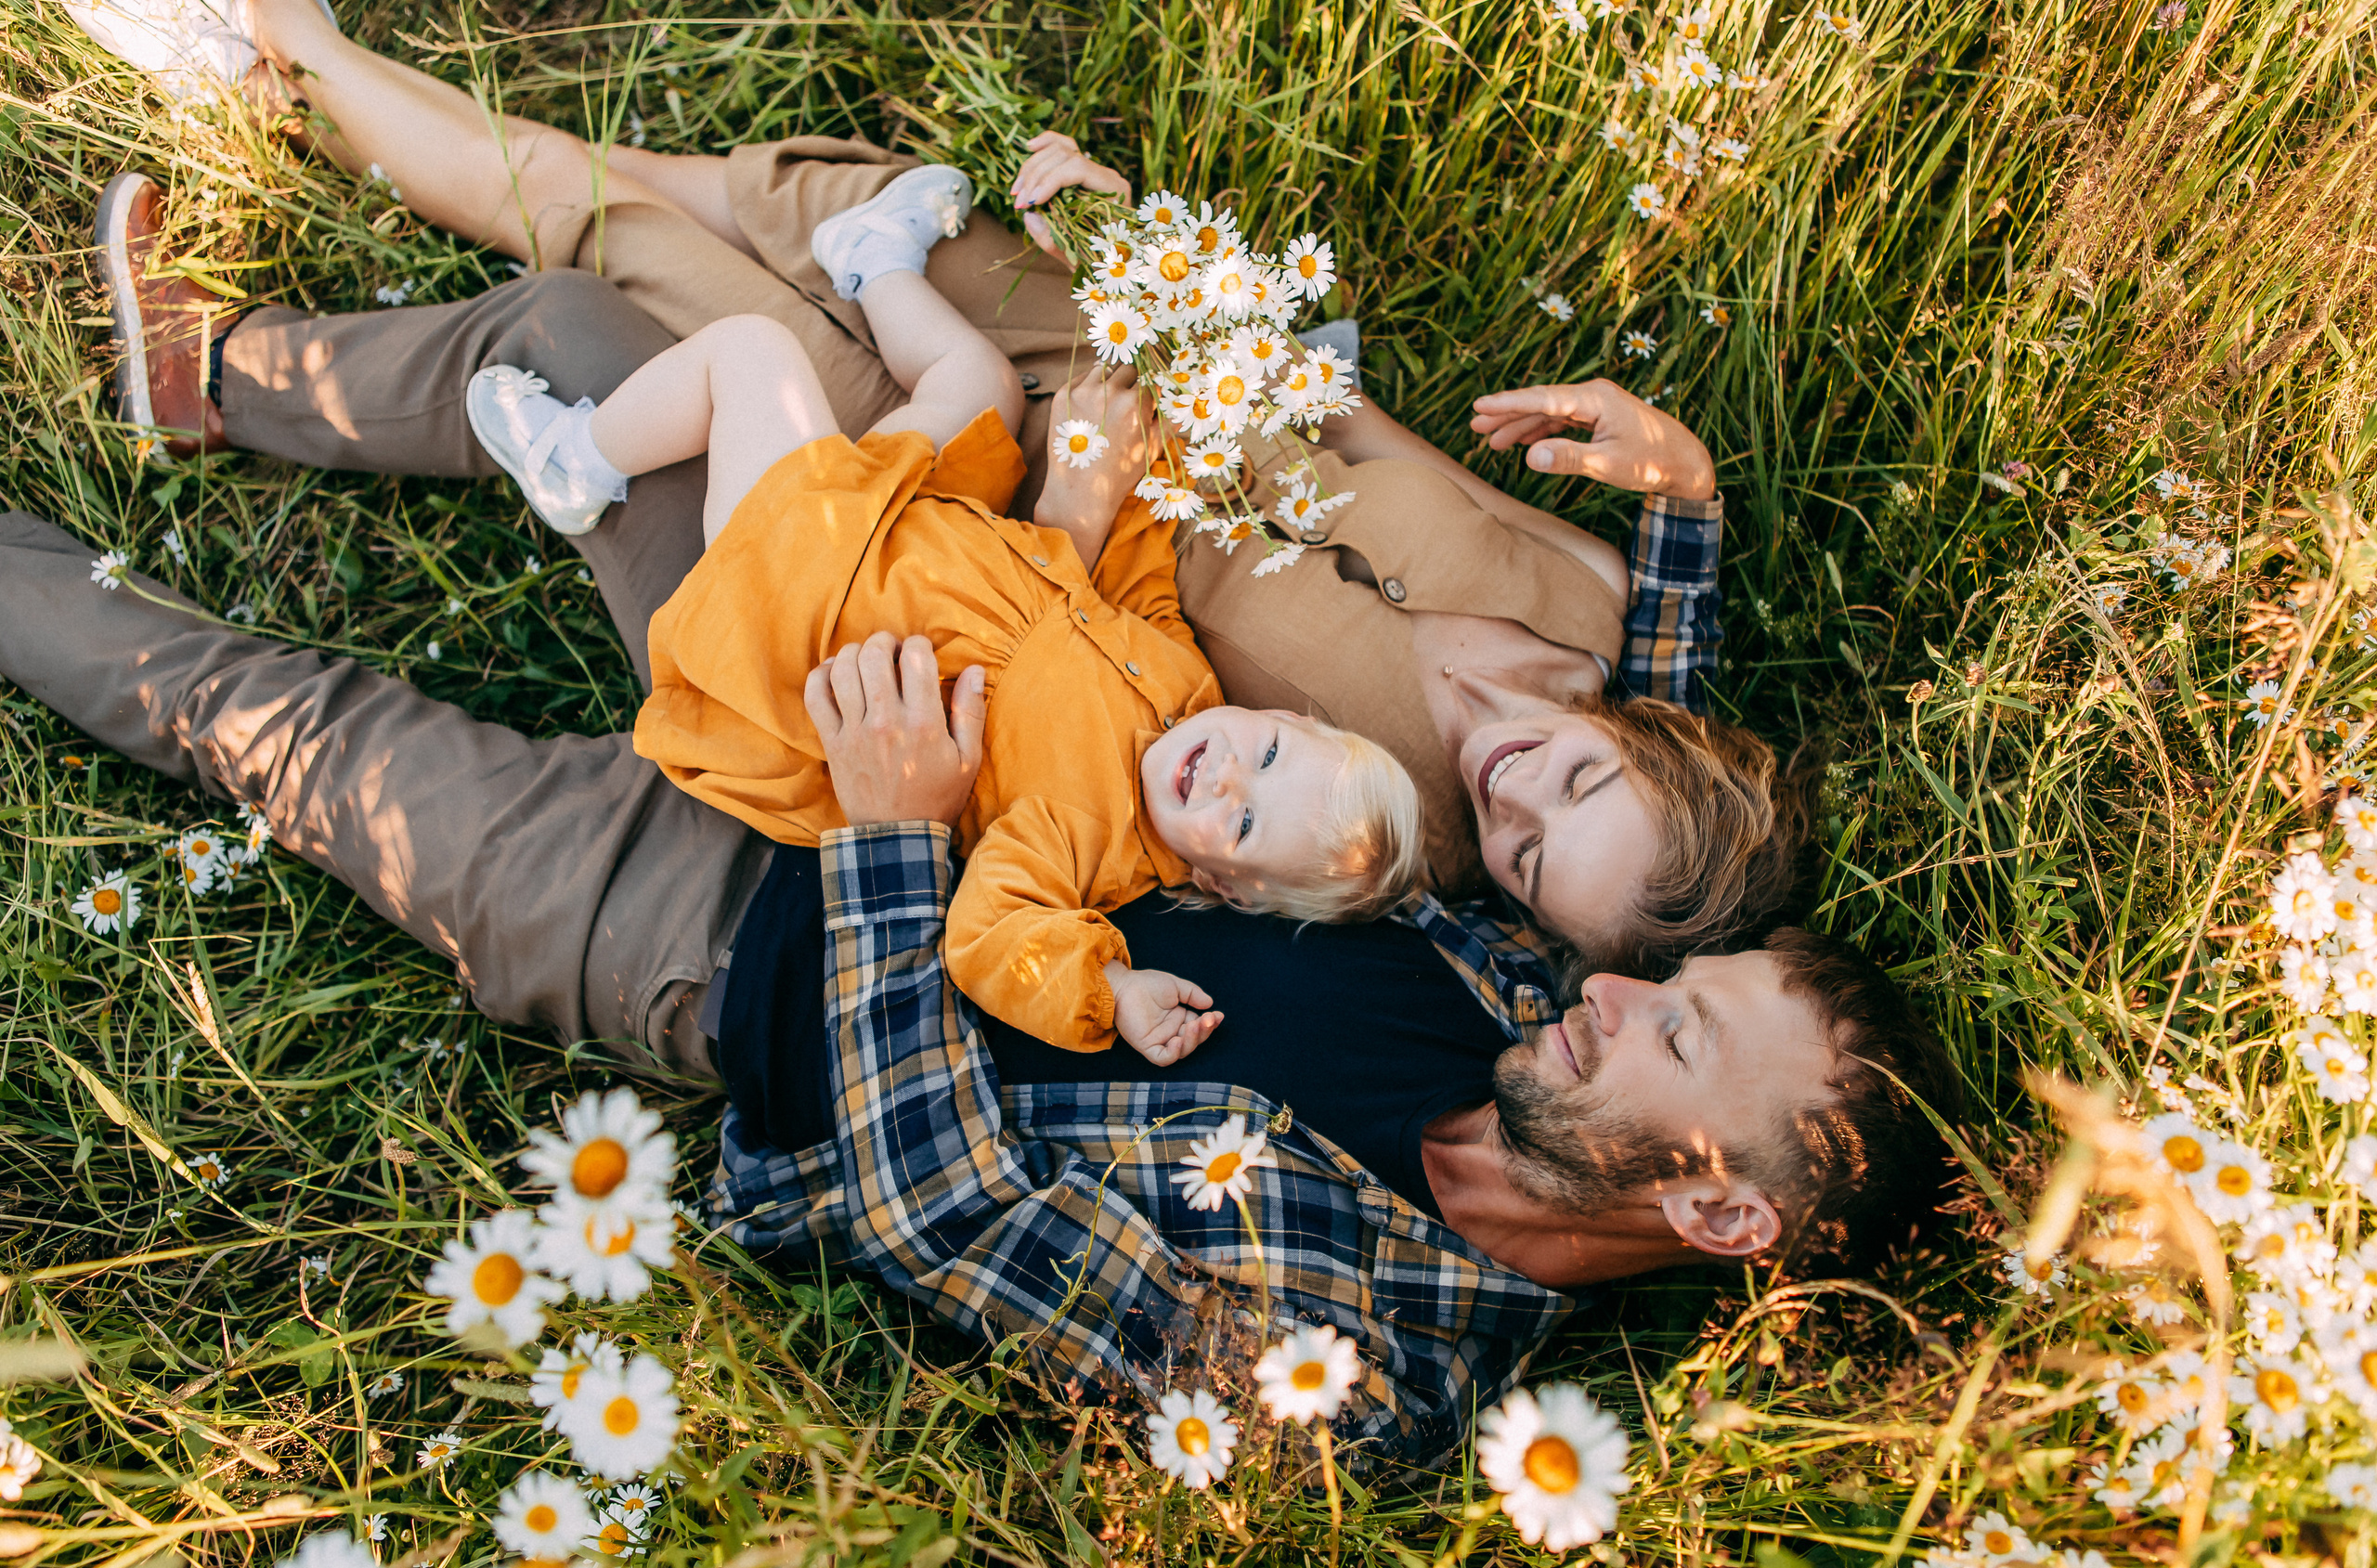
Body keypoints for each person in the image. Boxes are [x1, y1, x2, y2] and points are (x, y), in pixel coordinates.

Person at [0, 498, 1961, 1468]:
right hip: (920, 699)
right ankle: (243, 350)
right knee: (598, 369)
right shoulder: (1527, 1009)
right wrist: (1681, 520)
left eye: (1674, 1026)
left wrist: (883, 835)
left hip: (719, 936)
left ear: (1720, 1209)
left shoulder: (1368, 1369)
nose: (1614, 1000)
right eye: (1656, 984)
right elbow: (1649, 861)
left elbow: (934, 1205)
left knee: (276, 721)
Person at [70, 0, 1809, 975]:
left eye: (1529, 858)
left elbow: (1094, 722)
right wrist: (1132, 251)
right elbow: (1342, 424)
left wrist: (1071, 509)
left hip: (984, 518)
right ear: (1660, 731)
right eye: (1577, 776)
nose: (1513, 791)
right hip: (1113, 361)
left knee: (640, 249)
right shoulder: (1598, 599)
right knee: (763, 194)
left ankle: (280, 55)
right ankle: (325, 91)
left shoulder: (1380, 837)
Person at [461, 169, 1425, 1060]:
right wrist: (1149, 448)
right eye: (1267, 755)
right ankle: (870, 257)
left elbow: (994, 937)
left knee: (751, 357)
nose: (1224, 776)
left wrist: (1110, 988)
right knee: (981, 383)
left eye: (1244, 822)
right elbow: (1136, 579)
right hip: (928, 530)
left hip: (817, 593)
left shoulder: (1084, 839)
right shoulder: (1189, 688)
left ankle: (578, 461)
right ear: (1277, 716)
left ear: (1220, 885)